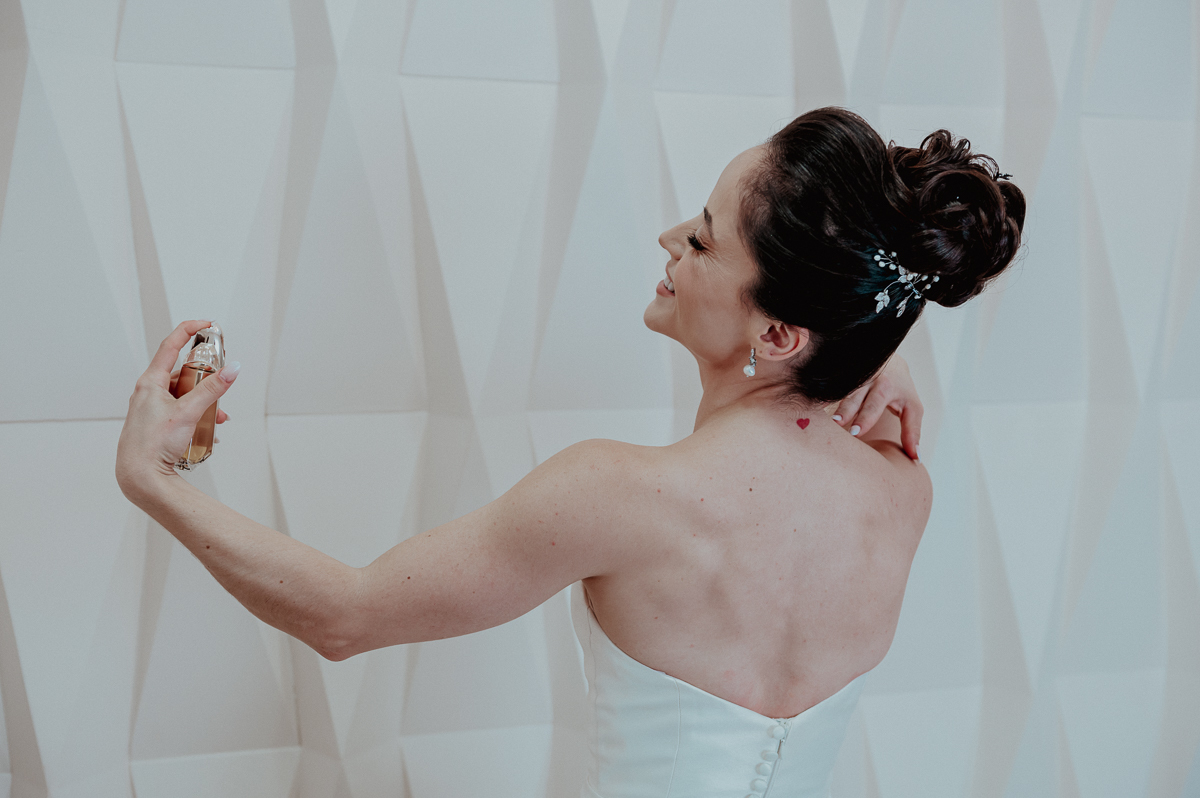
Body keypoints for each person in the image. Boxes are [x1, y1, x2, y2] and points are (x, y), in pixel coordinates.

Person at [116, 106, 1024, 797]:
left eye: (703, 239)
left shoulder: (622, 498)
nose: (671, 240)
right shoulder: (904, 489)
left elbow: (345, 617)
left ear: (782, 332)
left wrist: (154, 481)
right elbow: (838, 339)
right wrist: (877, 350)